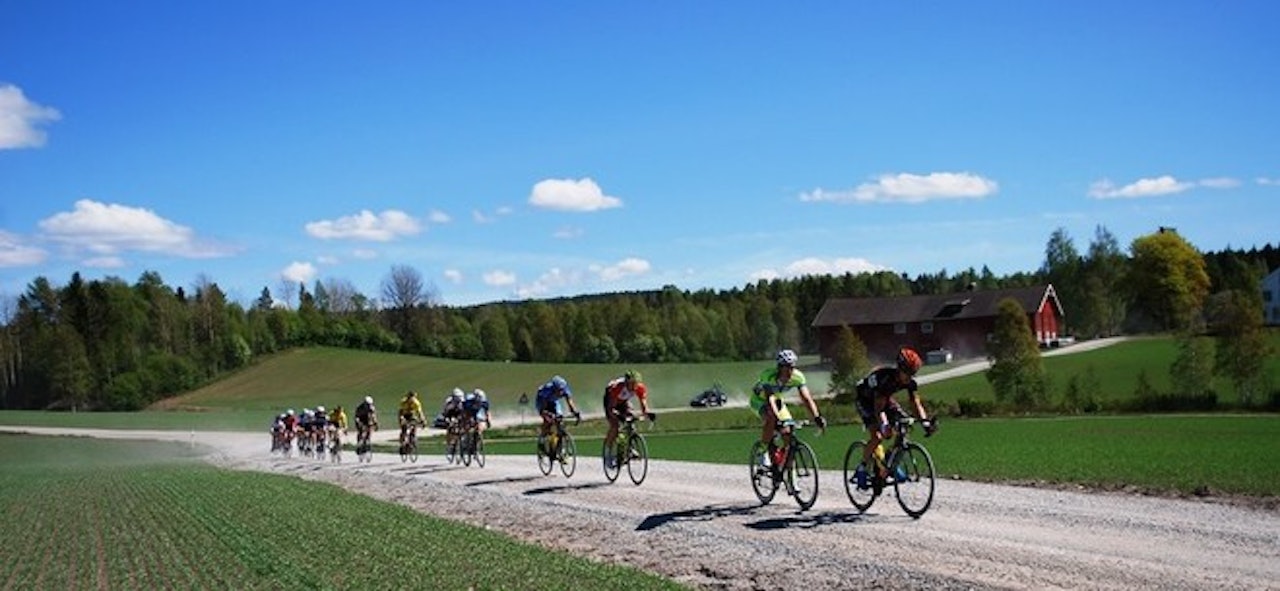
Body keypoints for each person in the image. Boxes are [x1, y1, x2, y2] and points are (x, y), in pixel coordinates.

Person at [852, 347, 937, 490]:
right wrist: (884, 425)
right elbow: (878, 409)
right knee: (878, 436)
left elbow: (916, 404)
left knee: (904, 425)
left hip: (885, 399)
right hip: (866, 400)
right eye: (908, 373)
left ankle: (889, 463)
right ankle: (862, 467)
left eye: (913, 374)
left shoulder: (910, 383)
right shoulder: (886, 379)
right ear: (900, 369)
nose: (910, 377)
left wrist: (925, 422)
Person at [750, 349, 826, 469]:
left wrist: (816, 417)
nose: (790, 371)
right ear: (780, 367)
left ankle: (785, 468)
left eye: (792, 367)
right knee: (771, 418)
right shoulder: (768, 375)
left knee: (787, 433)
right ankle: (763, 451)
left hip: (778, 401)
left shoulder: (798, 377)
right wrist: (776, 417)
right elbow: (769, 399)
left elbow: (806, 399)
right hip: (759, 401)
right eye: (787, 367)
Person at [602, 370, 655, 461]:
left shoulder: (640, 388)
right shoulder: (618, 387)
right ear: (627, 382)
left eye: (636, 383)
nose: (635, 386)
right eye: (632, 384)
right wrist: (617, 415)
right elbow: (611, 408)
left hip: (623, 401)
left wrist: (648, 414)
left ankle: (630, 448)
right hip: (610, 401)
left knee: (632, 418)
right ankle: (608, 451)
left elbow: (644, 406)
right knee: (615, 426)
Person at [535, 375, 580, 452]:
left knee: (560, 420)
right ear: (554, 388)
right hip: (542, 401)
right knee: (548, 421)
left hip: (554, 402)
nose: (561, 392)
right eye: (558, 390)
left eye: (562, 390)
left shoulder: (565, 389)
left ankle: (560, 447)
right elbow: (543, 406)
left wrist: (575, 412)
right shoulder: (547, 389)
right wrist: (546, 413)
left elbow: (570, 402)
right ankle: (542, 439)